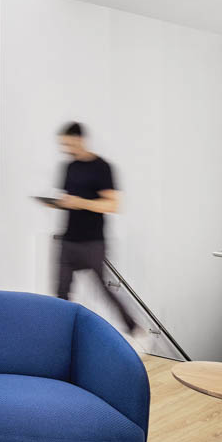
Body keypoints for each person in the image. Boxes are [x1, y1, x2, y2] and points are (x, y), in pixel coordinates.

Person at [53, 122, 140, 336]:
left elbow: (112, 205)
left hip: (92, 241)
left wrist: (80, 202)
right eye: (63, 145)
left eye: (69, 143)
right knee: (60, 293)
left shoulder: (102, 167)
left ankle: (135, 330)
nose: (67, 149)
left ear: (80, 139)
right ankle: (59, 335)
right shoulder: (69, 167)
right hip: (68, 239)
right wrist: (55, 202)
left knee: (104, 290)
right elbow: (67, 199)